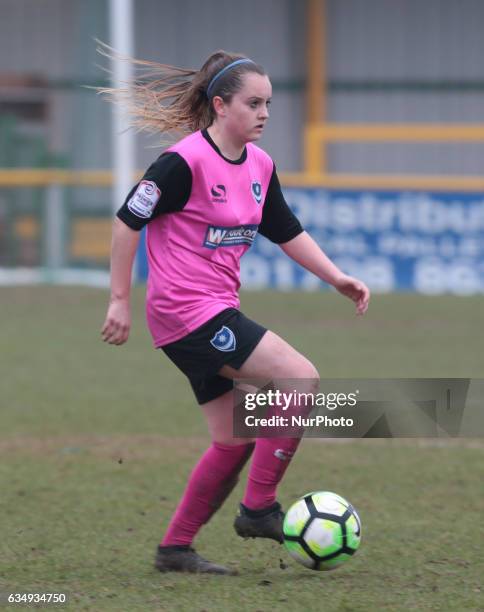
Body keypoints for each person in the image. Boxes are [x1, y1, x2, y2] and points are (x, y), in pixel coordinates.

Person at [101, 50, 370, 575]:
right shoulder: (183, 163)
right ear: (221, 106)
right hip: (186, 314)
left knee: (233, 439)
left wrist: (336, 276)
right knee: (300, 380)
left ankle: (174, 550)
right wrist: (118, 299)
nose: (264, 112)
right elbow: (126, 222)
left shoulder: (260, 165)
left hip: (213, 312)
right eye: (253, 102)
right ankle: (258, 508)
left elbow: (285, 228)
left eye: (269, 102)